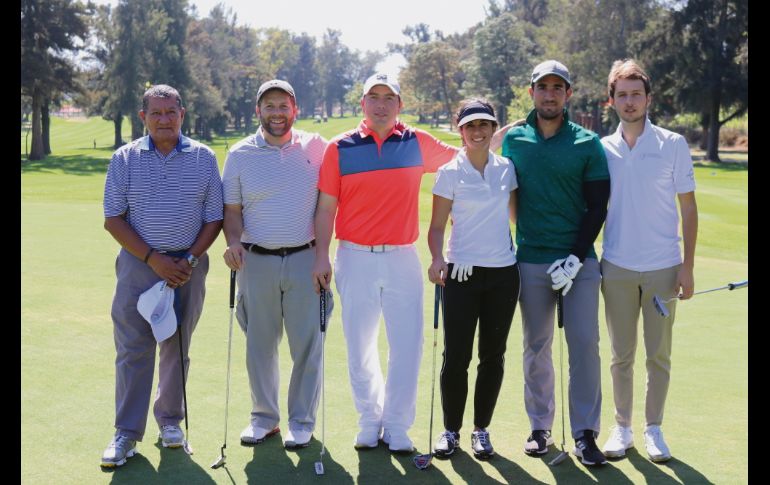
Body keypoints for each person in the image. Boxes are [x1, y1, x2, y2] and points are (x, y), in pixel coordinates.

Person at [312, 72, 458, 453]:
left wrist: (502, 131)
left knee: (407, 344)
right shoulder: (339, 147)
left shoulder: (417, 143)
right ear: (363, 104)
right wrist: (320, 255)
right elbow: (326, 208)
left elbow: (470, 156)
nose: (380, 104)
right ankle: (369, 419)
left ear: (399, 104)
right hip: (353, 257)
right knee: (360, 345)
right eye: (373, 97)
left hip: (402, 258)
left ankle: (396, 425)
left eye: (388, 97)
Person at [100, 84, 223, 467]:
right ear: (143, 118)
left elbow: (214, 217)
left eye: (171, 112)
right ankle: (126, 433)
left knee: (177, 346)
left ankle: (170, 423)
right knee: (134, 348)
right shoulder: (125, 158)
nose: (164, 119)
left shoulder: (203, 158)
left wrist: (188, 257)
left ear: (182, 114)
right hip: (140, 265)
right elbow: (112, 219)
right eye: (156, 113)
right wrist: (154, 259)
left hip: (188, 266)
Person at [500, 60, 611, 466]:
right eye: (542, 87)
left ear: (568, 93)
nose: (549, 94)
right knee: (536, 345)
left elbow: (597, 207)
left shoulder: (587, 142)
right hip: (530, 258)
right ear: (531, 92)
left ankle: (584, 432)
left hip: (579, 261)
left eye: (557, 87)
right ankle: (539, 427)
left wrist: (575, 255)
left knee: (584, 344)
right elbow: (501, 187)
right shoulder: (515, 140)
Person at [222, 79, 332, 449]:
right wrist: (233, 243)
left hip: (305, 259)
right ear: (258, 111)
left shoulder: (316, 148)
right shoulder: (239, 154)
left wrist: (322, 257)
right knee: (259, 346)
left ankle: (300, 421)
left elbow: (326, 206)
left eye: (283, 106)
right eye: (269, 106)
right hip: (257, 262)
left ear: (294, 109)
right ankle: (264, 419)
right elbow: (232, 211)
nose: (277, 113)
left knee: (307, 346)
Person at [598, 59, 697, 463]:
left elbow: (688, 209)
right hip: (617, 266)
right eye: (622, 95)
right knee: (621, 354)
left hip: (663, 267)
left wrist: (687, 266)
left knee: (658, 354)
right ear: (612, 101)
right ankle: (621, 428)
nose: (630, 101)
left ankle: (653, 428)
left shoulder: (673, 144)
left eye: (636, 93)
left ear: (648, 98)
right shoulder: (602, 148)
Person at [426, 99, 520, 460]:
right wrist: (437, 259)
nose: (478, 132)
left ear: (492, 128)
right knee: (457, 357)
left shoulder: (506, 169)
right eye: (470, 126)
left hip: (503, 275)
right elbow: (436, 228)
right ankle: (451, 431)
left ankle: (481, 430)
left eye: (484, 125)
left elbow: (515, 218)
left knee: (493, 356)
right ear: (459, 130)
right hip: (461, 274)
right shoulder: (449, 173)